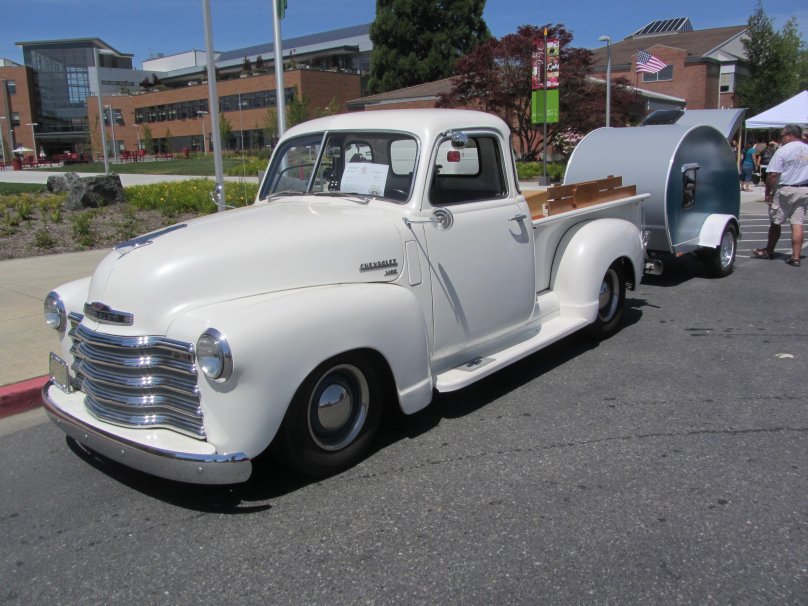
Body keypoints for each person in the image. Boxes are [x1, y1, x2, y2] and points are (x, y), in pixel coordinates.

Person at [752, 124, 808, 267]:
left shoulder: (783, 151)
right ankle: (795, 257)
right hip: (803, 188)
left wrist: (768, 192)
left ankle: (769, 250)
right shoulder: (806, 149)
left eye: (782, 136)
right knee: (797, 223)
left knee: (776, 222)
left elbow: (772, 174)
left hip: (785, 188)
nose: (780, 138)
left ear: (790, 136)